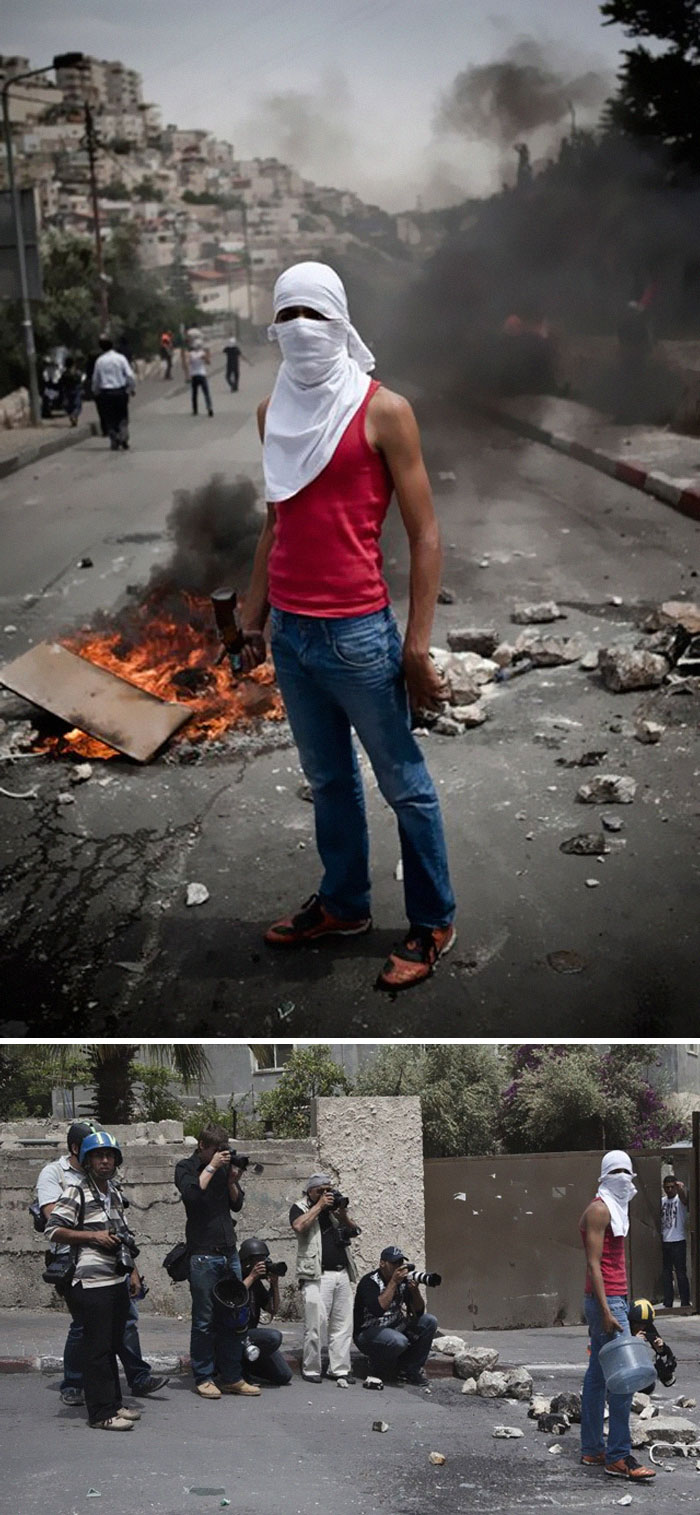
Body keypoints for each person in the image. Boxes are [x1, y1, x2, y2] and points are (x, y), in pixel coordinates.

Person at [238, 260, 456, 992]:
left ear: (340, 321)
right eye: (287, 315)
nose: (301, 329)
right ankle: (345, 904)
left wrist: (417, 644)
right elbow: (277, 521)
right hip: (293, 636)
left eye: (314, 315)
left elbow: (425, 534)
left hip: (359, 633)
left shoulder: (383, 409)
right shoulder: (271, 414)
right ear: (273, 325)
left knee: (405, 785)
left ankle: (432, 920)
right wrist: (251, 609)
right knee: (328, 780)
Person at [36, 1122, 166, 1407]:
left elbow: (124, 1237)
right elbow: (52, 1226)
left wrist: (133, 1273)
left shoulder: (115, 1194)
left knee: (115, 1337)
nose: (105, 1161)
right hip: (84, 1276)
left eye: (110, 1155)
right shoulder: (72, 1188)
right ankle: (86, 1395)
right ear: (85, 1158)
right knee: (90, 1338)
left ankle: (122, 1395)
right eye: (98, 1156)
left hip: (114, 1279)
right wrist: (92, 1236)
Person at [579, 1150, 655, 1482]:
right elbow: (594, 1264)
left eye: (628, 1170)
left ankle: (593, 1448)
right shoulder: (599, 1209)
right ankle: (619, 1456)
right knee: (624, 1378)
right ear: (606, 1175)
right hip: (606, 1302)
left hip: (613, 1298)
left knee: (598, 1375)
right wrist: (610, 1310)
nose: (625, 1177)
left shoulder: (615, 1208)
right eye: (618, 1171)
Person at [174, 1123, 260, 1399]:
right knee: (204, 1321)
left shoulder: (223, 1170)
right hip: (202, 1255)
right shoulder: (185, 1167)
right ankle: (203, 1377)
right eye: (216, 1150)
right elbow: (192, 1196)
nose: (221, 1155)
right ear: (202, 1146)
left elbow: (236, 1205)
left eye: (223, 1150)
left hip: (228, 1252)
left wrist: (233, 1180)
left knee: (234, 1317)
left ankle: (232, 1376)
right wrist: (211, 1167)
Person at [290, 1172, 359, 1384]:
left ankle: (339, 1369)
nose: (326, 1194)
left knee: (342, 1324)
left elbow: (355, 1230)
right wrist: (319, 1206)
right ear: (311, 1191)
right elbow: (299, 1226)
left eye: (329, 1190)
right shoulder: (300, 1207)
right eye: (321, 1191)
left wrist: (343, 1215)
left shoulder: (334, 1209)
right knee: (315, 1324)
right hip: (316, 1274)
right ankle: (311, 1369)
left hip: (341, 1272)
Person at [353, 1245, 438, 1385]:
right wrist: (393, 1282)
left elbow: (418, 1312)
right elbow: (378, 1310)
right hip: (368, 1333)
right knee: (399, 1341)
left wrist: (415, 1291)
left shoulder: (403, 1281)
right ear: (382, 1263)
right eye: (394, 1263)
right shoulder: (369, 1282)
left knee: (430, 1321)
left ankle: (411, 1370)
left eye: (400, 1263)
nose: (398, 1267)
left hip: (396, 1327)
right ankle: (379, 1365)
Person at [238, 1237, 292, 1386]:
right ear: (247, 1261)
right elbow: (235, 1297)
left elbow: (273, 1309)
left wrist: (274, 1285)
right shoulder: (235, 1277)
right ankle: (234, 1370)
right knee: (273, 1337)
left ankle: (250, 1367)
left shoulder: (256, 1284)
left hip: (251, 1336)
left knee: (284, 1375)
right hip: (234, 1335)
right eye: (259, 1260)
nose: (262, 1264)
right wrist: (251, 1276)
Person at [91, 335, 136, 451]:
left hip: (106, 393)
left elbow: (96, 380)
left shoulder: (100, 361)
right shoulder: (120, 358)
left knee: (110, 418)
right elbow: (130, 375)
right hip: (120, 391)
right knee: (122, 416)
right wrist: (131, 389)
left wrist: (95, 392)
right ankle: (124, 436)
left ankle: (114, 439)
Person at [628, 1298, 677, 1388]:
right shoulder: (624, 1325)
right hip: (621, 1366)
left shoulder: (647, 1326)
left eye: (644, 1325)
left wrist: (661, 1349)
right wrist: (633, 1341)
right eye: (637, 1324)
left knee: (648, 1386)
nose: (641, 1327)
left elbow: (667, 1356)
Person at [661, 1173, 690, 1308]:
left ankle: (685, 1302)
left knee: (680, 1273)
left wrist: (681, 1189)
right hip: (666, 1241)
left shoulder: (679, 1200)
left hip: (678, 1240)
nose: (670, 1190)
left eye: (672, 1187)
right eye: (667, 1187)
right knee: (666, 1274)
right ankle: (668, 1302)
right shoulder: (662, 1201)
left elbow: (684, 1198)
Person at [187, 338, 214, 416]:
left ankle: (195, 410)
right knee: (206, 393)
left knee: (194, 394)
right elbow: (208, 362)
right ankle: (209, 408)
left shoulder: (191, 354)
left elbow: (189, 362)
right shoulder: (202, 353)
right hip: (202, 375)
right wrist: (207, 355)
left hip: (194, 376)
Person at [59, 355, 83, 426]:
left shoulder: (64, 373)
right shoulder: (76, 372)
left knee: (69, 405)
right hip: (76, 390)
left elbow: (61, 382)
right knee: (77, 406)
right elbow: (80, 380)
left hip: (67, 391)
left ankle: (72, 417)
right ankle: (74, 415)